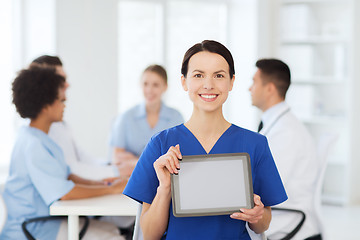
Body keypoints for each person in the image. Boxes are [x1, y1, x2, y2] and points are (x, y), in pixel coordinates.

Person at [123, 40, 288, 240]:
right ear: (184, 82)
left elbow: (263, 224)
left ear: (231, 82)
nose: (208, 85)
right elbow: (149, 235)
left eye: (219, 75)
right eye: (198, 75)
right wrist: (165, 187)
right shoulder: (160, 145)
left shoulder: (255, 144)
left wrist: (256, 215)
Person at [0, 67, 126, 240]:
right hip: (34, 227)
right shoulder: (34, 145)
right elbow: (64, 193)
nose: (64, 105)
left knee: (113, 230)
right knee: (113, 237)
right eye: (61, 100)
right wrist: (111, 190)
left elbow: (67, 176)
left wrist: (102, 184)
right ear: (45, 106)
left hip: (45, 221)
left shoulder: (38, 138)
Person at [249, 59, 321, 240]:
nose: (249, 88)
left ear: (270, 89)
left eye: (254, 82)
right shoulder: (277, 124)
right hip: (281, 216)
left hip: (290, 223)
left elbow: (266, 187)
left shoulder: (287, 133)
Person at [30, 55, 134, 180]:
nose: (67, 85)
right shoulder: (44, 128)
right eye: (61, 79)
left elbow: (79, 156)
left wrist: (110, 165)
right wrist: (115, 171)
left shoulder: (59, 122)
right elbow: (69, 169)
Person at [109, 64, 184, 165]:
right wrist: (156, 162)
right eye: (145, 84)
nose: (149, 90)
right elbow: (117, 159)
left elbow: (180, 156)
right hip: (133, 177)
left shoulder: (176, 117)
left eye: (155, 85)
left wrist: (134, 160)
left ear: (165, 87)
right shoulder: (126, 117)